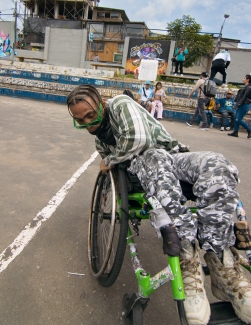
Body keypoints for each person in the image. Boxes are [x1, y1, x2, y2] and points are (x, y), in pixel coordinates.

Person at [67, 84, 251, 325]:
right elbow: (127, 158)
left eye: (90, 115)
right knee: (155, 159)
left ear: (102, 103)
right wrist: (111, 160)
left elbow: (139, 139)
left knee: (218, 164)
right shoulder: (100, 142)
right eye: (80, 120)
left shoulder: (120, 105)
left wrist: (111, 159)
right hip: (146, 167)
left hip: (172, 155)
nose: (87, 123)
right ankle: (187, 257)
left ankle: (221, 262)